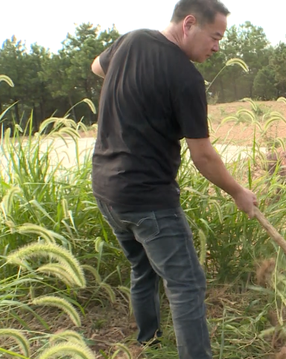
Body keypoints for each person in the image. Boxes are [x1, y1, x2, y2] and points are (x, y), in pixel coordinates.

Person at [89, 0, 257, 358]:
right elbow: (203, 156)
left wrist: (132, 85)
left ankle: (147, 342)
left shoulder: (130, 41)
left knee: (143, 267)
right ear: (189, 24)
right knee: (187, 285)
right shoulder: (186, 78)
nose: (217, 47)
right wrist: (238, 192)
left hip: (106, 188)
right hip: (148, 199)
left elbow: (96, 67)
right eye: (215, 37)